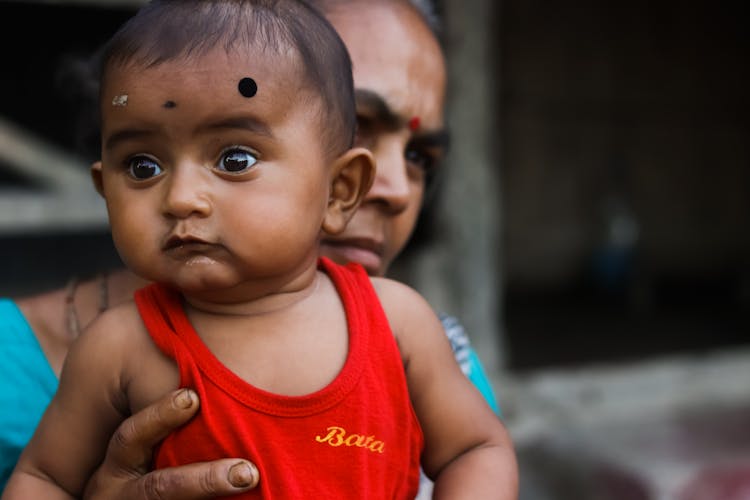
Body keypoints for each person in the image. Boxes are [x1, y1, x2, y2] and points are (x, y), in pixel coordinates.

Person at [3, 0, 516, 498]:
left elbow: (476, 449)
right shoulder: (117, 351)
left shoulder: (402, 328)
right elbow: (44, 480)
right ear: (105, 189)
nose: (181, 197)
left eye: (235, 157)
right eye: (142, 166)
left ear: (339, 189)